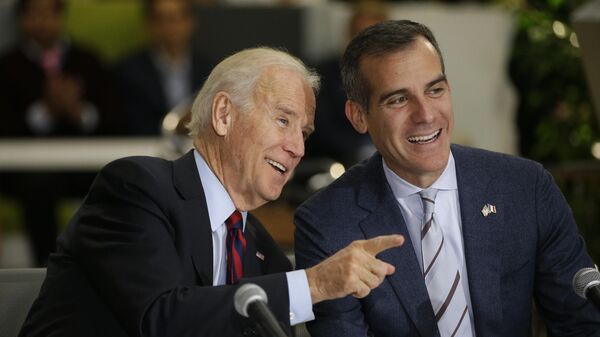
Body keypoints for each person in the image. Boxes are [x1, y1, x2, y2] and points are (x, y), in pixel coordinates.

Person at [19, 47, 404, 337]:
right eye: (283, 120)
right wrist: (316, 283)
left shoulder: (263, 253)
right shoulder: (135, 189)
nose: (298, 149)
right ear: (223, 115)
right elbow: (162, 319)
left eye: (303, 133)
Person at [294, 20, 600, 337]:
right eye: (398, 99)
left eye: (435, 90)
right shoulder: (326, 224)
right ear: (358, 115)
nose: (426, 115)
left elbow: (581, 322)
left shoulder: (525, 188)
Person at [0, 0, 121, 266]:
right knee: (39, 186)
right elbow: (6, 128)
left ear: (60, 17)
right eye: (34, 15)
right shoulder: (7, 66)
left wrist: (78, 111)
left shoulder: (88, 60)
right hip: (26, 171)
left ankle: (108, 266)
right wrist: (46, 110)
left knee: (117, 179)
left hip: (81, 163)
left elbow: (113, 119)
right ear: (22, 20)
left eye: (49, 14)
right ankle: (47, 268)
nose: (42, 22)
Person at [306, 0, 387, 167]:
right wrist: (364, 147)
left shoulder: (395, 77)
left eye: (376, 38)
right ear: (349, 37)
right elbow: (321, 129)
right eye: (361, 36)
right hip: (334, 164)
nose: (369, 45)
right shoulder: (322, 74)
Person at [114, 0, 210, 135]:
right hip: (143, 149)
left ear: (191, 22)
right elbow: (130, 123)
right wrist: (175, 125)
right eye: (161, 19)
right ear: (149, 24)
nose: (170, 27)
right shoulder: (128, 71)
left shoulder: (210, 69)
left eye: (176, 18)